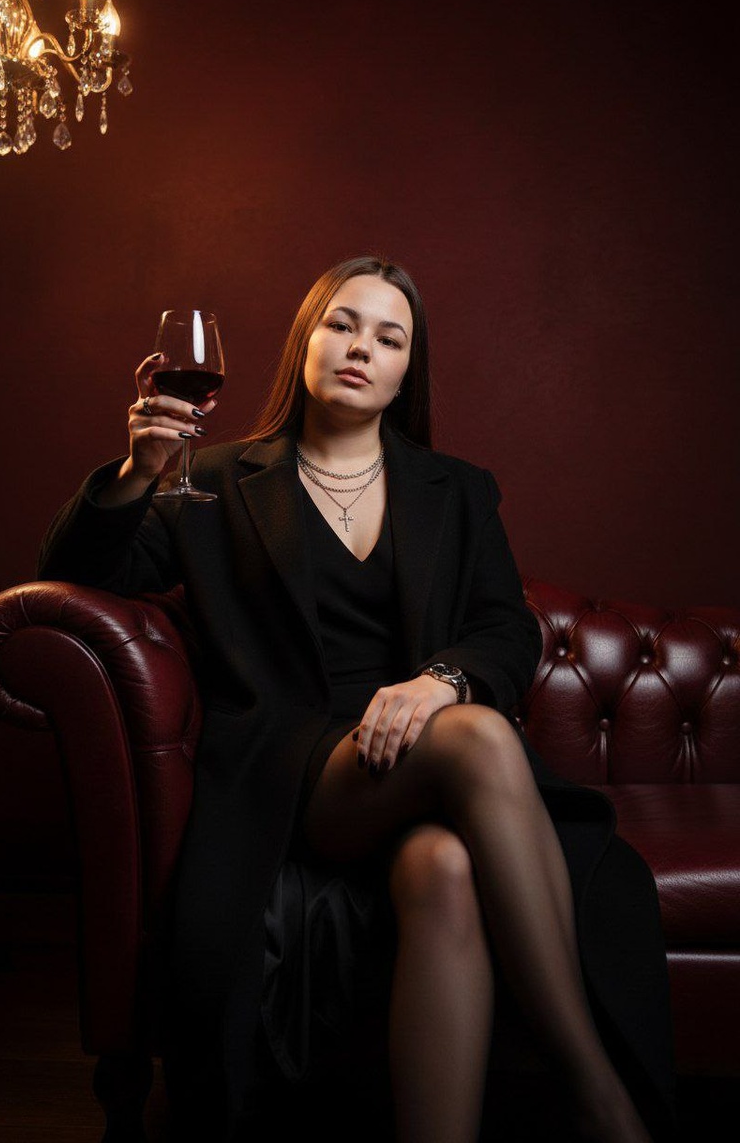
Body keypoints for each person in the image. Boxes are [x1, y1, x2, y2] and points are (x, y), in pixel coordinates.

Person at [39, 255, 676, 1143]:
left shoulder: (458, 489)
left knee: (443, 868)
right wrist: (139, 470)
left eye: (389, 337)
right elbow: (76, 577)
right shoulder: (212, 482)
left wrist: (437, 681)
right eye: (341, 325)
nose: (360, 347)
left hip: (421, 760)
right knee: (479, 737)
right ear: (305, 341)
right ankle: (595, 1092)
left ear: (408, 370)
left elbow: (504, 629)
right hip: (292, 771)